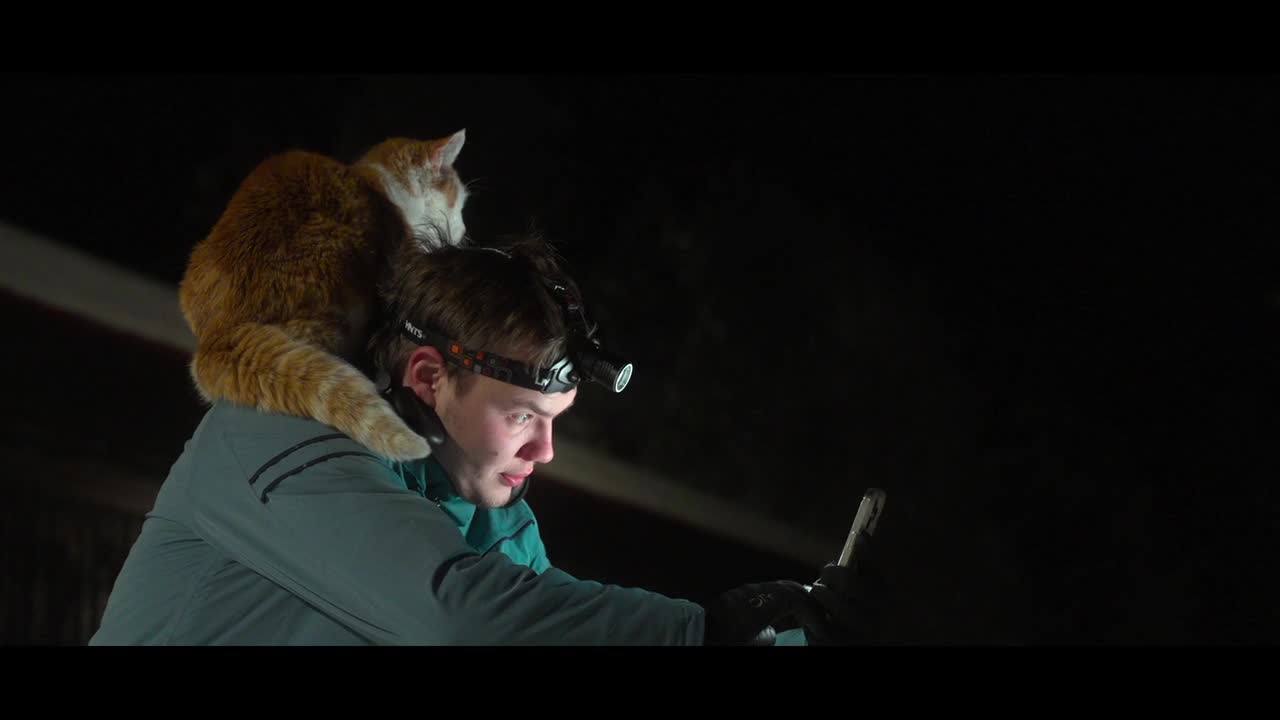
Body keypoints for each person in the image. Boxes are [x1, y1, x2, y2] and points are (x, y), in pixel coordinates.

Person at [90, 234, 876, 645]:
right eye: (524, 416)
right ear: (429, 376)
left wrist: (776, 636)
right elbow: (457, 619)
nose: (545, 451)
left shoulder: (482, 514)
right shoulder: (275, 434)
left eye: (555, 421)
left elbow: (544, 635)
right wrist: (706, 628)